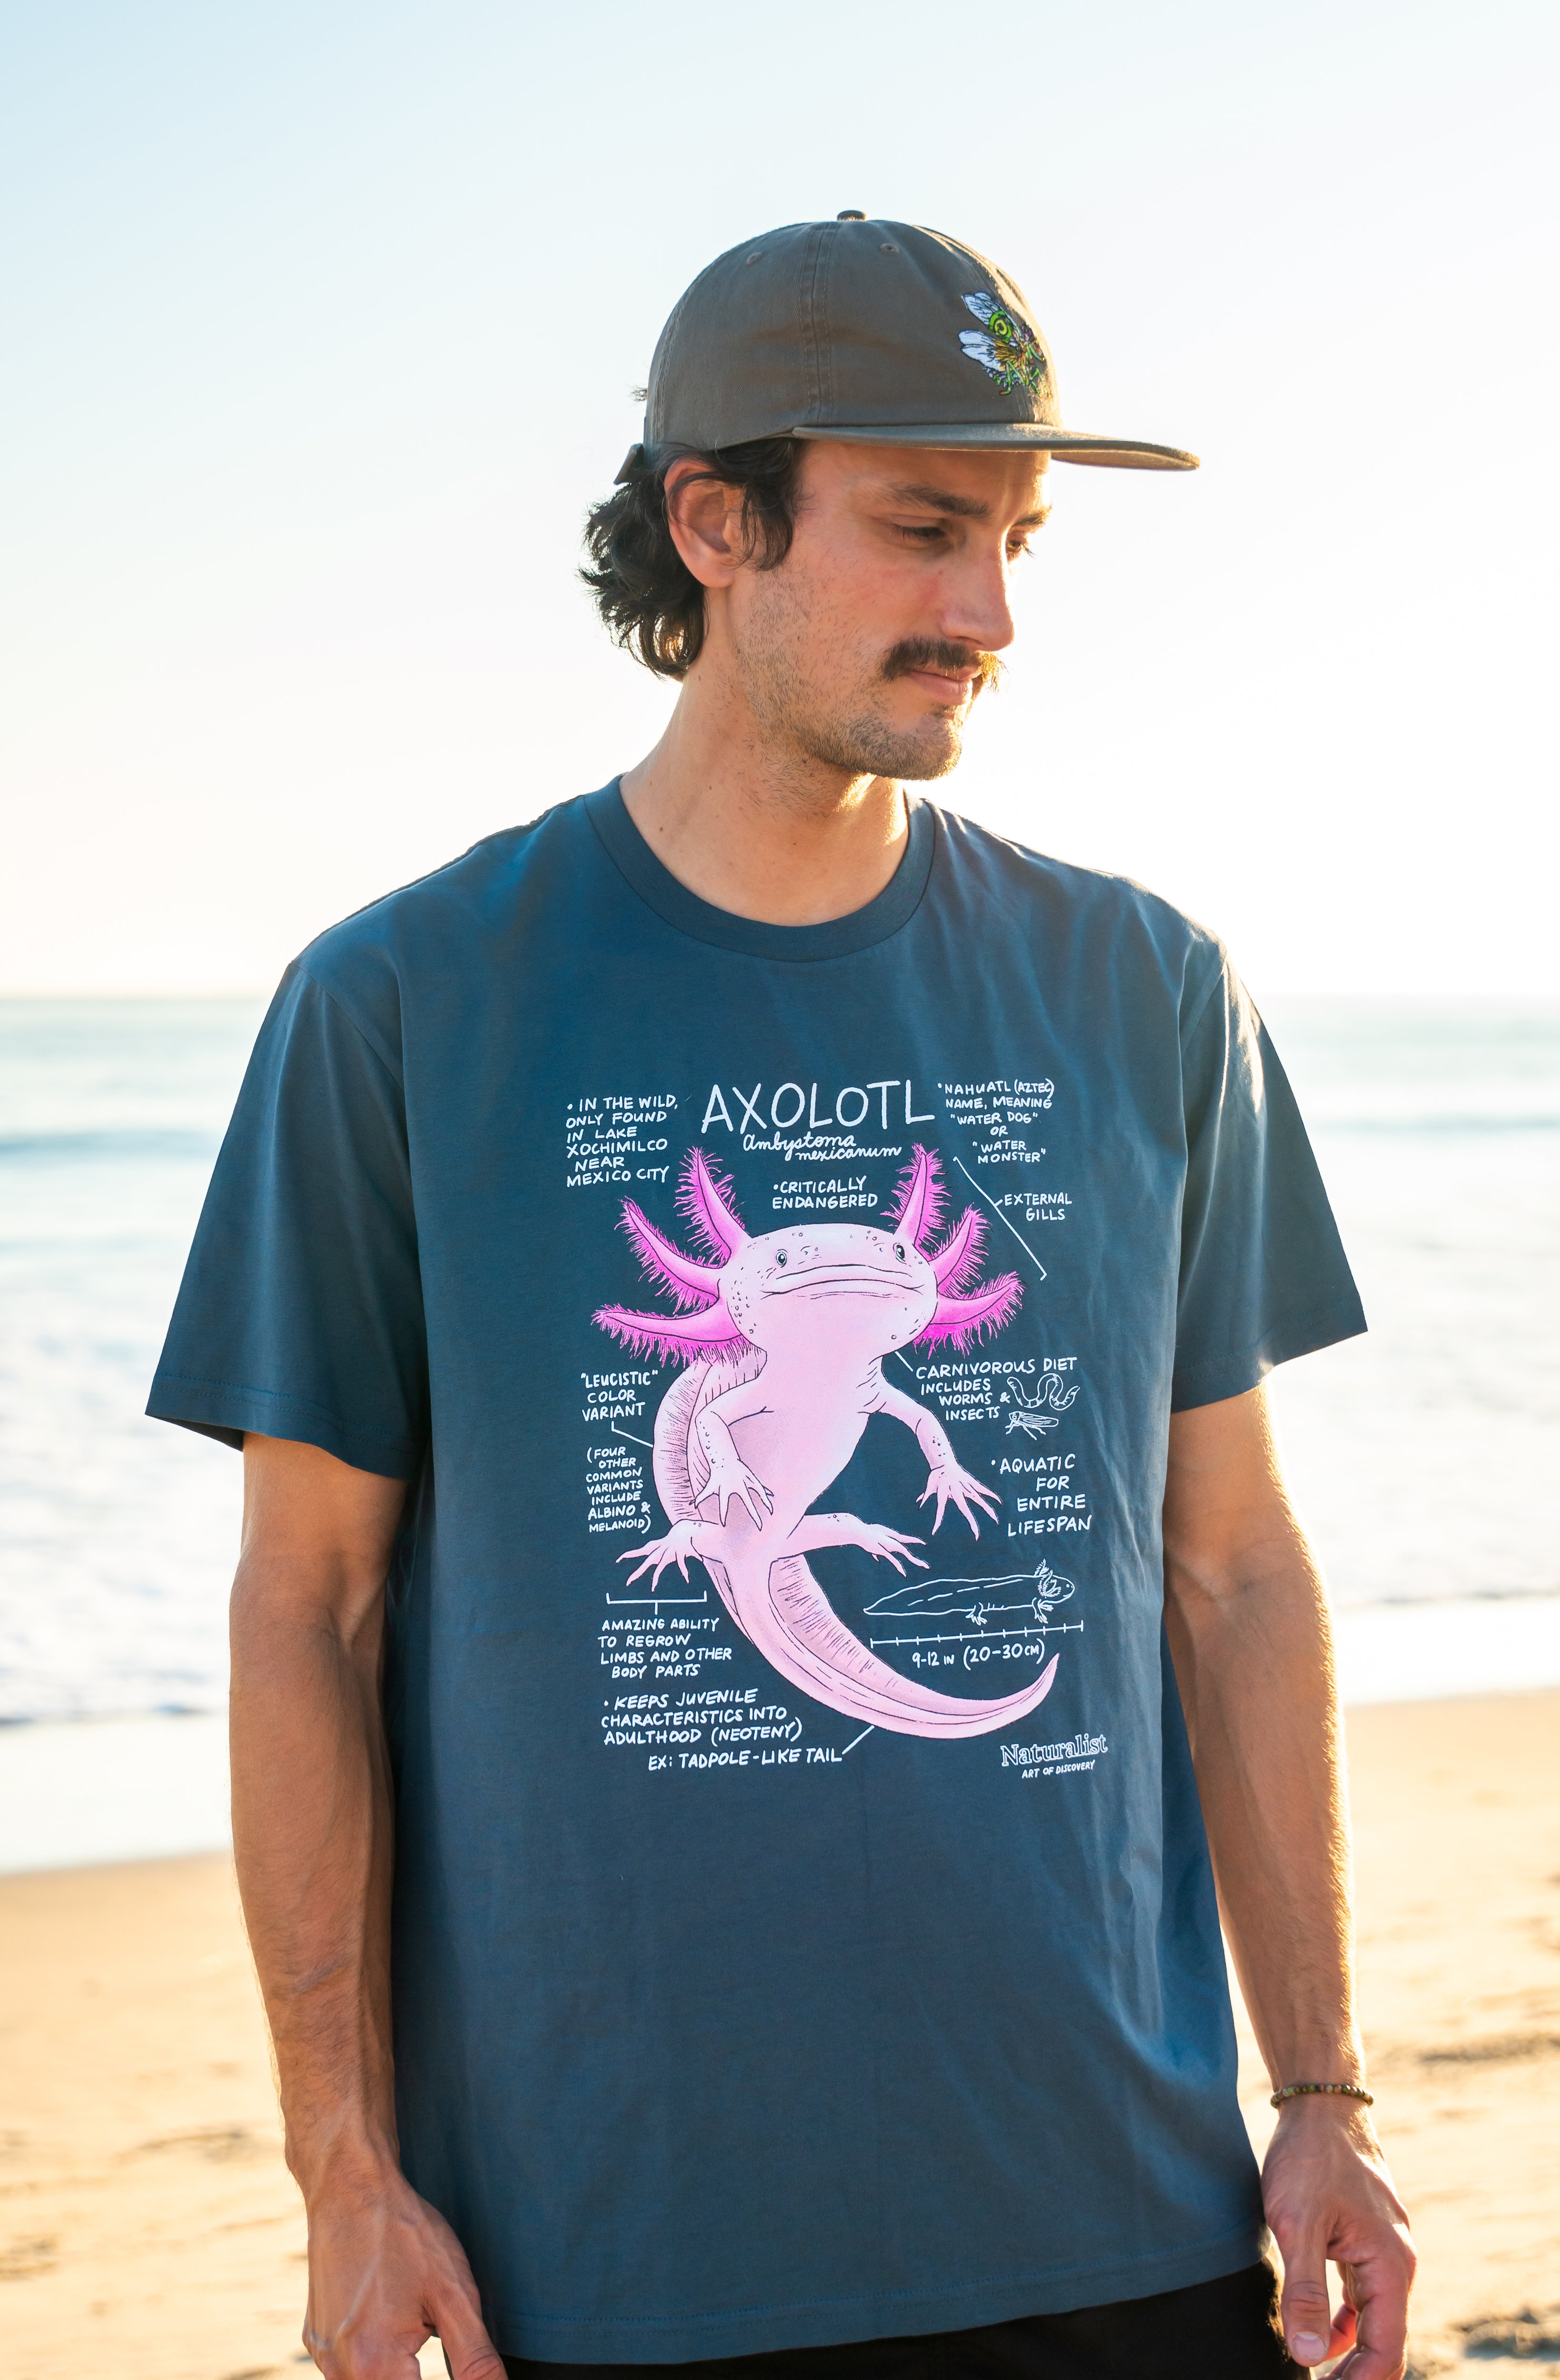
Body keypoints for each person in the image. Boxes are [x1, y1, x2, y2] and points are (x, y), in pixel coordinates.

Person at [149, 214, 1415, 2380]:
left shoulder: (1145, 990)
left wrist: (1318, 2095)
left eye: (1015, 540)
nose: (989, 612)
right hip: (617, 2249)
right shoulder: (403, 1005)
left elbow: (1229, 1568)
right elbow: (309, 1612)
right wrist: (343, 2176)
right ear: (710, 522)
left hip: (1120, 2208)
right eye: (925, 529)